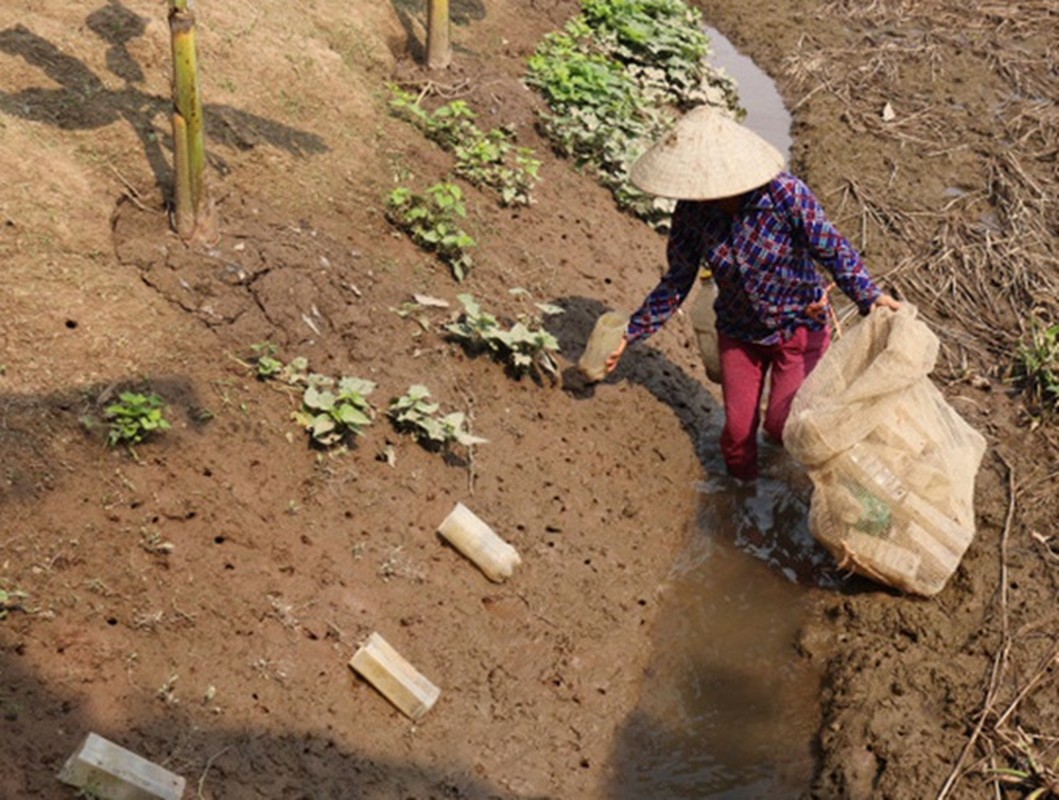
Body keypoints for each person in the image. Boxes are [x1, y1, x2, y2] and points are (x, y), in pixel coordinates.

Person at [605, 105, 900, 481]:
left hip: (798, 327)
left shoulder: (785, 195)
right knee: (736, 438)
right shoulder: (691, 213)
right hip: (738, 332)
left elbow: (833, 249)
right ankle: (741, 501)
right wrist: (631, 332)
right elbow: (678, 280)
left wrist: (869, 295)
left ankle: (778, 459)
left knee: (781, 425)